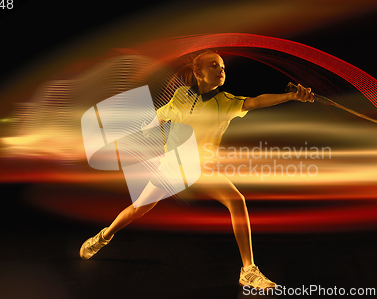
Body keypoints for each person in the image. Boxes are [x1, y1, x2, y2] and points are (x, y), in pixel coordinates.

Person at [79, 50, 314, 289]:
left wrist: (290, 96)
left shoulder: (226, 103)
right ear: (198, 73)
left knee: (237, 201)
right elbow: (162, 114)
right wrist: (148, 129)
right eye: (213, 65)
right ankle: (105, 236)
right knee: (138, 208)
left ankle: (248, 270)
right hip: (172, 168)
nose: (221, 70)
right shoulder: (181, 96)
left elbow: (256, 101)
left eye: (222, 66)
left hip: (202, 168)